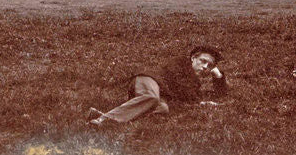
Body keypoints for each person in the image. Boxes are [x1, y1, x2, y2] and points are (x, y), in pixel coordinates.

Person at [87, 45, 228, 125]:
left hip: (160, 93)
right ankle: (103, 120)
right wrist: (200, 102)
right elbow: (185, 92)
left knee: (163, 109)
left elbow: (218, 96)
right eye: (202, 61)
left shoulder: (194, 81)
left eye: (209, 65)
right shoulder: (179, 63)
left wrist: (218, 75)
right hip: (148, 80)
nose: (205, 67)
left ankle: (101, 117)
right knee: (151, 97)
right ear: (193, 58)